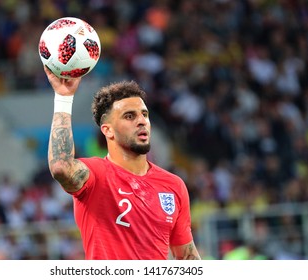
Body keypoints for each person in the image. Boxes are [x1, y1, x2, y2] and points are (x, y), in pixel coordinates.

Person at [44, 66, 201, 260]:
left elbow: (187, 257)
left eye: (145, 114)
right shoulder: (96, 175)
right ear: (107, 130)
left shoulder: (173, 185)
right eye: (130, 116)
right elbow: (61, 167)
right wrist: (63, 98)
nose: (142, 121)